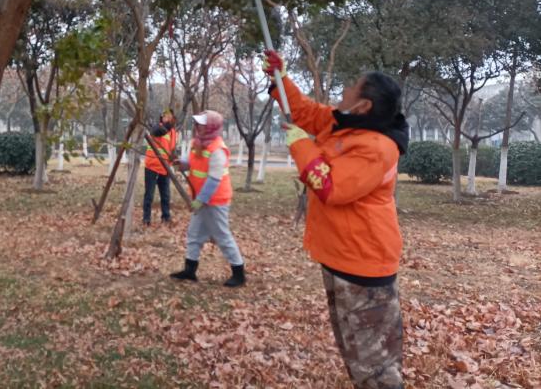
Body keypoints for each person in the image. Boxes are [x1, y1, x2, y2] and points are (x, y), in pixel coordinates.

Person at [263, 49, 408, 389]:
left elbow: (330, 187)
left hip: (363, 264)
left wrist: (301, 146)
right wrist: (280, 77)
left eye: (352, 87)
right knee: (352, 347)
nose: (344, 90)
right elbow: (304, 111)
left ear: (364, 105)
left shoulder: (377, 147)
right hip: (340, 256)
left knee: (375, 364)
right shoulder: (345, 123)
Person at [169, 110, 245, 287]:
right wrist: (182, 164)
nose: (197, 127)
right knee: (194, 233)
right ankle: (190, 270)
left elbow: (213, 180)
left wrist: (200, 200)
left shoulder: (217, 149)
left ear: (211, 127)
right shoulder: (198, 143)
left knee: (222, 236)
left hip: (215, 200)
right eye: (196, 123)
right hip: (201, 199)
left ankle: (239, 273)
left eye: (201, 124)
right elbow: (193, 163)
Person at [143, 109, 178, 225]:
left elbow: (171, 149)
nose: (166, 118)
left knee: (166, 195)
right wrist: (168, 125)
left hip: (165, 168)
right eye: (164, 116)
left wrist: (173, 160)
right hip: (152, 166)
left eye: (168, 116)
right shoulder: (157, 127)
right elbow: (159, 132)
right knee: (149, 195)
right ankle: (146, 219)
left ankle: (166, 218)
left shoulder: (173, 133)